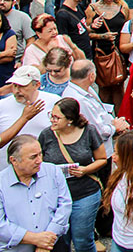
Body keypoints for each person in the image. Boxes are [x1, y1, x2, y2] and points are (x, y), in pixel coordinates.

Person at [38, 98, 107, 252]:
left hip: (84, 193)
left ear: (70, 119)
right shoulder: (46, 135)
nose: (52, 120)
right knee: (61, 240)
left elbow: (102, 159)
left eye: (56, 117)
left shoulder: (89, 131)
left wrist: (85, 170)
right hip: (56, 196)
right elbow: (39, 162)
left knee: (82, 239)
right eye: (51, 115)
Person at [0, 135, 71, 252]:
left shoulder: (53, 171)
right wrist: (35, 239)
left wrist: (46, 242)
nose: (39, 161)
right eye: (33, 157)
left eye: (40, 154)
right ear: (14, 160)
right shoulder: (2, 183)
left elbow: (65, 206)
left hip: (54, 245)